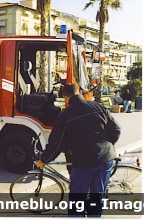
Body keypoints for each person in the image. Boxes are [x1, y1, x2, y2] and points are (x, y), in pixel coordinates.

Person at [35, 83, 121, 217]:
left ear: (65, 97)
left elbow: (56, 143)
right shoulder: (98, 107)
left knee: (77, 200)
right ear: (79, 92)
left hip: (83, 161)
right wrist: (107, 145)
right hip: (106, 158)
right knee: (98, 196)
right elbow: (116, 130)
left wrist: (43, 160)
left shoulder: (65, 115)